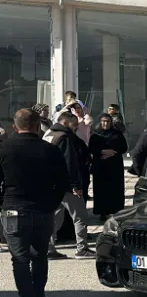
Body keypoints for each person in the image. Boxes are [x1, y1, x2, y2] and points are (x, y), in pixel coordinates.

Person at [0, 109, 70, 297]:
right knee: (40, 256)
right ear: (38, 126)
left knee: (20, 259)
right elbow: (63, 183)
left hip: (13, 209)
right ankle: (37, 295)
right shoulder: (50, 150)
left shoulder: (4, 149)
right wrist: (51, 204)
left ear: (15, 126)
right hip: (42, 211)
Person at [45, 111, 93, 259]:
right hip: (66, 185)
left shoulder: (48, 134)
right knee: (80, 216)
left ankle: (49, 248)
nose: (77, 127)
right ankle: (82, 249)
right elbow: (70, 163)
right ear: (65, 123)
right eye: (74, 124)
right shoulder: (64, 138)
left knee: (54, 217)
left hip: (51, 184)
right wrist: (75, 185)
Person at [88, 113, 128, 222]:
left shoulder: (117, 134)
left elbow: (124, 147)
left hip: (114, 167)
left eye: (108, 121)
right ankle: (102, 212)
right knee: (101, 190)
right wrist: (102, 151)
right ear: (100, 122)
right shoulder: (96, 134)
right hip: (100, 167)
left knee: (115, 190)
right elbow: (91, 148)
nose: (105, 123)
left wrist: (113, 152)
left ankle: (116, 211)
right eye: (104, 121)